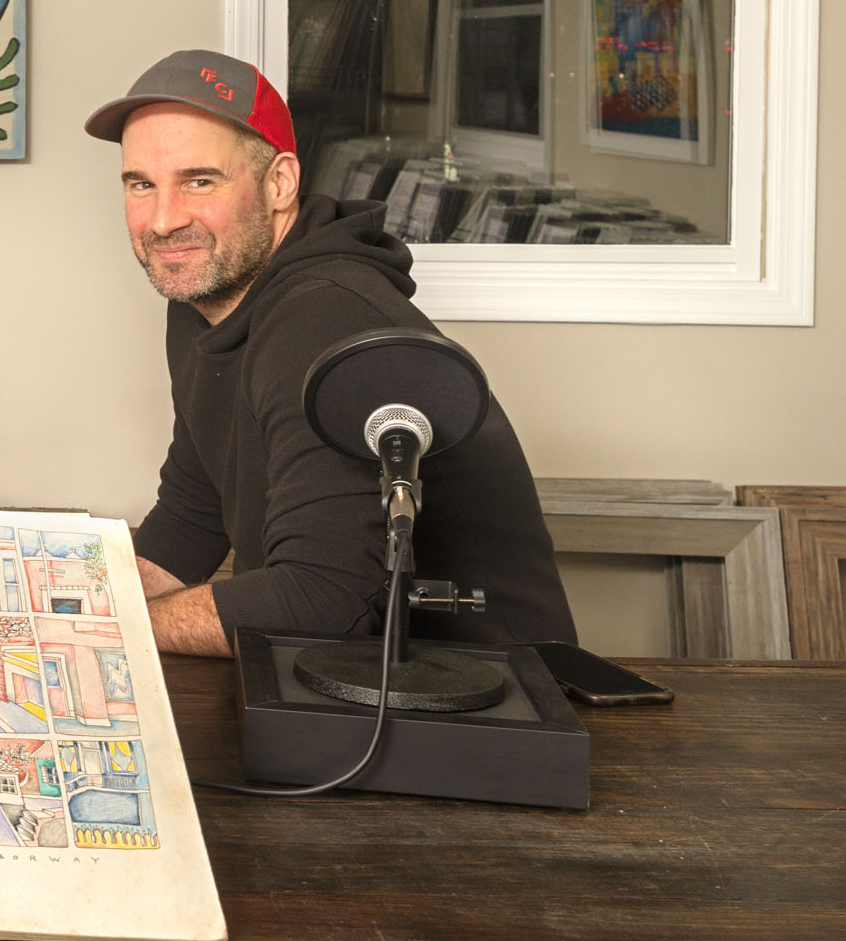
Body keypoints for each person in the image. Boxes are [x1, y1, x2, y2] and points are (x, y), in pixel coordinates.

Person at [84, 49, 576, 657]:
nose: (163, 221)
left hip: (488, 689)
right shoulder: (207, 293)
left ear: (280, 183)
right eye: (142, 184)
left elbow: (325, 603)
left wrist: (110, 628)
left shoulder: (329, 319)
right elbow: (195, 512)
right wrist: (62, 604)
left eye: (199, 181)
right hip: (343, 681)